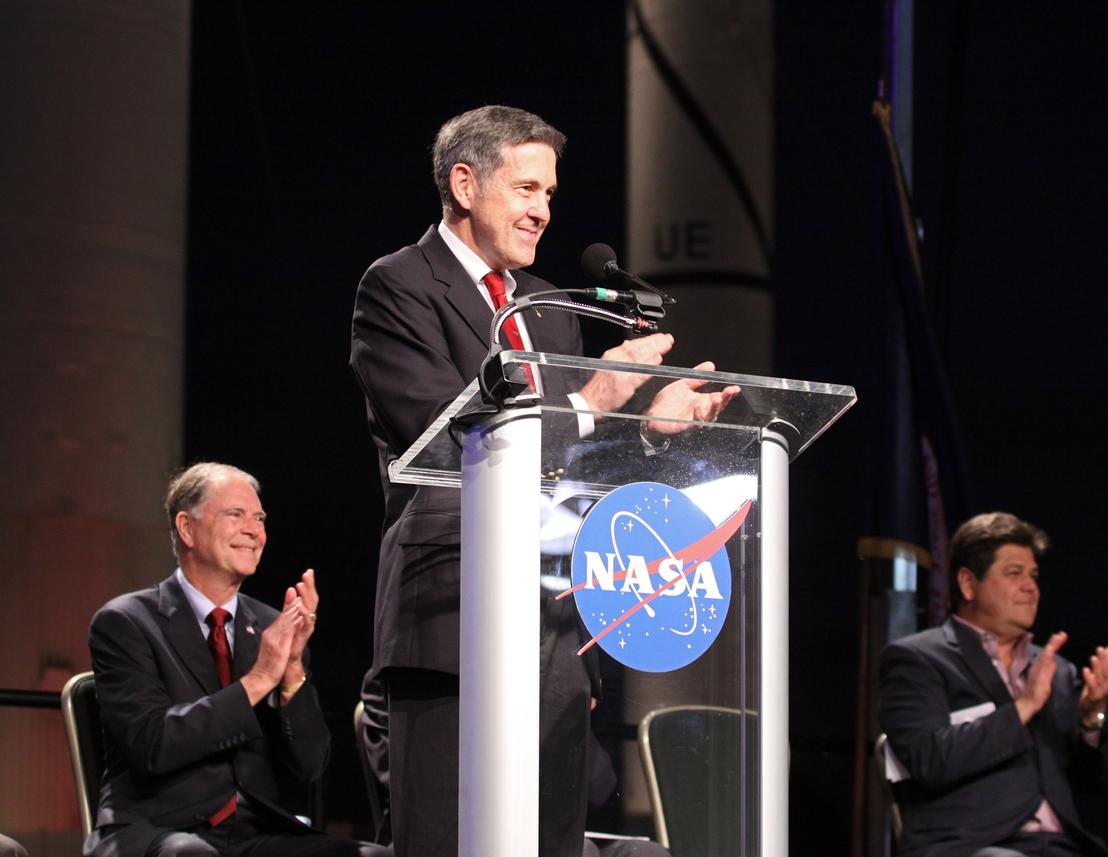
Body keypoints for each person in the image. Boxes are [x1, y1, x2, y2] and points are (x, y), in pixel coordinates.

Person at [349, 105, 710, 857]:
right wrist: (592, 400)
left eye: (549, 193)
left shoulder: (547, 311)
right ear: (464, 184)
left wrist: (646, 431)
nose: (543, 210)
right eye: (526, 189)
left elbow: (571, 467)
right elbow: (442, 432)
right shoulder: (399, 286)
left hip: (554, 625)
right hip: (448, 612)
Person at [84, 462, 389, 857]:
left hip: (254, 832)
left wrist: (291, 672)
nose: (253, 530)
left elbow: (311, 766)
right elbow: (153, 745)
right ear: (186, 528)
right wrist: (259, 678)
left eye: (259, 519)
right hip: (158, 829)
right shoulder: (126, 622)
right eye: (236, 515)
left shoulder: (271, 627)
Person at [879, 512, 1108, 857]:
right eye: (1014, 573)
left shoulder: (1056, 670)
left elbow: (1104, 781)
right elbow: (930, 760)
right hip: (973, 845)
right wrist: (1023, 707)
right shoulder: (918, 659)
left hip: (1064, 846)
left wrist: (1092, 719)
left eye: (1034, 576)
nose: (1031, 587)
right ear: (968, 584)